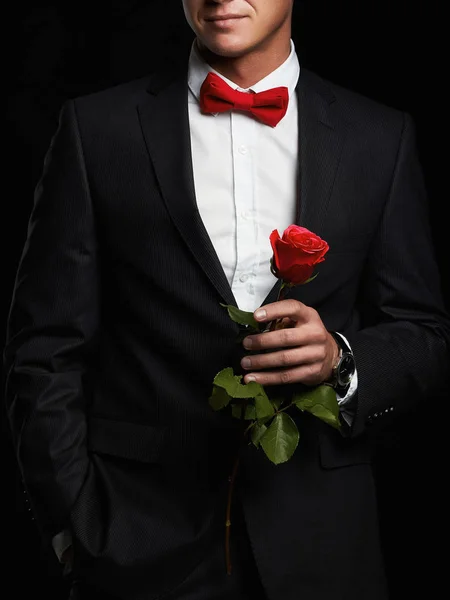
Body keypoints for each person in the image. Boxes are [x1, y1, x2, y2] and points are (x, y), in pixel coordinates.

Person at [3, 1, 450, 599]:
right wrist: (74, 527)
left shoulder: (380, 136)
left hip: (322, 543)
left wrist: (340, 362)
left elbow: (422, 333)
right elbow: (45, 350)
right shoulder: (96, 129)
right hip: (138, 543)